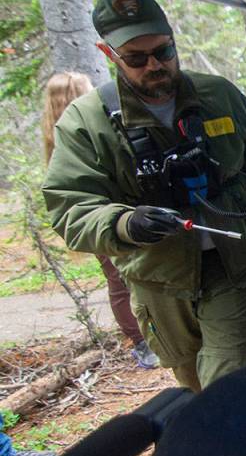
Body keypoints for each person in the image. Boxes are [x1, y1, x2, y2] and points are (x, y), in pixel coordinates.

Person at [43, 0, 246, 392]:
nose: (155, 65)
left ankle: (235, 446)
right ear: (108, 53)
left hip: (233, 268)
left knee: (229, 383)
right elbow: (70, 208)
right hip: (158, 281)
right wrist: (124, 224)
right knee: (193, 386)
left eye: (164, 51)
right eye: (136, 58)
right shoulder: (89, 122)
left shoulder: (219, 97)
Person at [41, 72, 159, 369]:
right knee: (120, 279)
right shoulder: (80, 129)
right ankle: (143, 342)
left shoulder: (59, 131)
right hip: (105, 218)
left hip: (111, 217)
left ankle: (146, 339)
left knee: (118, 280)